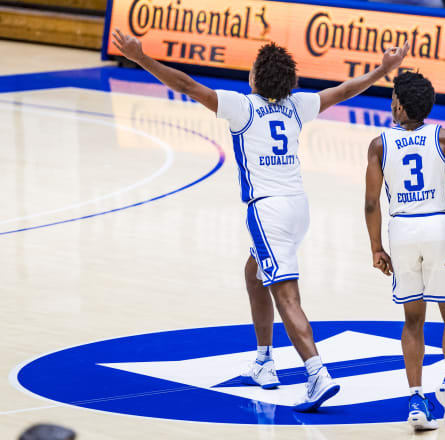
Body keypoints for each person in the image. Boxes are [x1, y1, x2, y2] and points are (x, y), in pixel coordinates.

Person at [111, 29, 409, 412]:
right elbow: (346, 90)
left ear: (254, 77)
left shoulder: (241, 106)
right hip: (298, 207)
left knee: (286, 294)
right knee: (254, 275)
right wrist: (382, 70)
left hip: (267, 210)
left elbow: (185, 84)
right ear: (290, 81)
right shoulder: (298, 104)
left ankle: (317, 374)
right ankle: (264, 360)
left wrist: (141, 58)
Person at [364, 72, 445, 432]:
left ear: (398, 105)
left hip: (402, 230)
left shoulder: (379, 144)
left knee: (413, 320)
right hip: (438, 226)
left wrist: (376, 246)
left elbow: (370, 203)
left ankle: (415, 399)